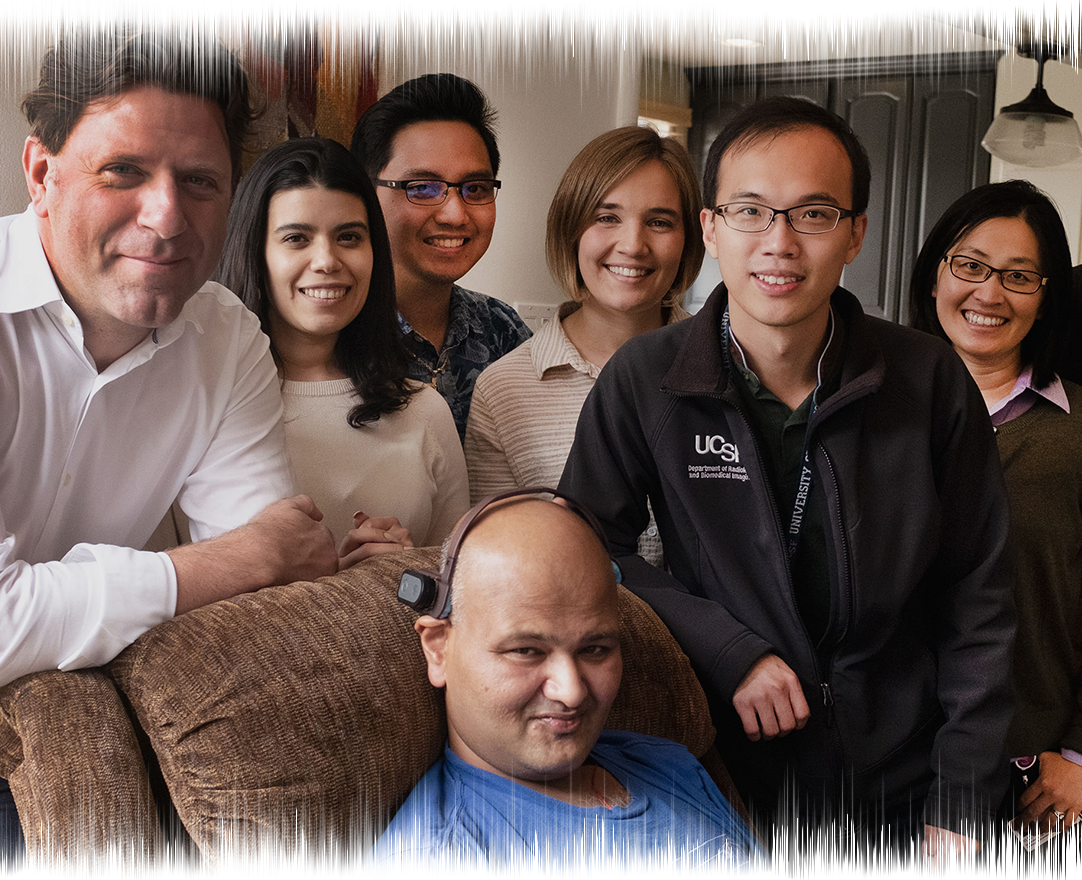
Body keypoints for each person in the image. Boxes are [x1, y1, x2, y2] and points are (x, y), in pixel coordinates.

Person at [0, 11, 338, 875]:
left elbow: (269, 595)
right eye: (123, 172)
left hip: (1, 727)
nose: (165, 218)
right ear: (40, 171)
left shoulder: (229, 337)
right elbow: (254, 556)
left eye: (200, 181)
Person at [560, 96, 1015, 878]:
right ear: (711, 228)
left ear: (855, 234)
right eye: (750, 211)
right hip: (731, 775)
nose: (779, 243)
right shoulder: (647, 379)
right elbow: (585, 545)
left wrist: (967, 784)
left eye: (813, 213)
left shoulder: (927, 379)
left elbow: (980, 589)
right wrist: (727, 648)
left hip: (910, 785)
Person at [352, 490, 779, 880]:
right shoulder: (433, 865)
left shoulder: (668, 764)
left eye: (595, 649)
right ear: (438, 648)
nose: (572, 692)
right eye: (526, 650)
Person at [909, 179, 1082, 878]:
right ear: (934, 274)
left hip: (1032, 774)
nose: (989, 293)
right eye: (971, 265)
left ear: (1046, 297)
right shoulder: (867, 409)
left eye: (1019, 276)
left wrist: (1078, 755)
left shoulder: (1075, 435)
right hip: (884, 766)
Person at [216, 138, 469, 567]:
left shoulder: (425, 410)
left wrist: (395, 573)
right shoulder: (205, 404)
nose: (327, 260)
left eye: (349, 237)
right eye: (297, 238)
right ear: (254, 253)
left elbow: (459, 593)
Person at [463, 126, 703, 565]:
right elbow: (498, 565)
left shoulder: (728, 366)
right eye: (606, 217)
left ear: (690, 239)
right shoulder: (506, 390)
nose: (632, 245)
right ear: (570, 229)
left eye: (660, 221)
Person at [350, 73, 532, 440]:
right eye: (422, 188)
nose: (455, 214)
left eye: (476, 188)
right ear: (366, 194)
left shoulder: (501, 330)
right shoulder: (333, 330)